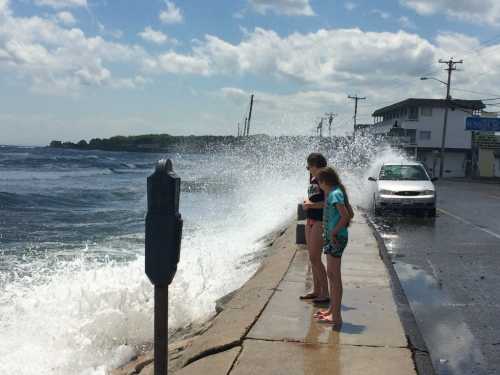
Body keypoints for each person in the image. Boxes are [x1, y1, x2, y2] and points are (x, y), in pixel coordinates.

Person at [313, 167, 352, 327]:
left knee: (335, 278)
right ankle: (331, 311)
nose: (318, 186)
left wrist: (335, 231)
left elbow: (346, 216)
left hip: (336, 239)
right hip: (332, 239)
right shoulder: (334, 192)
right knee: (332, 275)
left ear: (324, 182)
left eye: (319, 182)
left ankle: (336, 316)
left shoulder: (335, 194)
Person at [299, 153, 329, 304]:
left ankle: (325, 292)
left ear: (316, 165)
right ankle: (316, 290)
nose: (308, 169)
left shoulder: (325, 179)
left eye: (309, 166)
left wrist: (311, 205)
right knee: (312, 258)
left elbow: (328, 202)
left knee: (316, 258)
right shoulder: (312, 178)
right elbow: (311, 197)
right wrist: (307, 201)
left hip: (320, 220)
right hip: (310, 219)